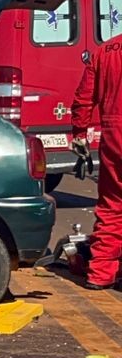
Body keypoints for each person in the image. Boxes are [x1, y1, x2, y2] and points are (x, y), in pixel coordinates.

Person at [72, 45, 122, 288]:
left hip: (114, 135)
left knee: (112, 205)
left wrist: (80, 133)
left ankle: (101, 272)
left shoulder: (105, 51)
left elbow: (84, 97)